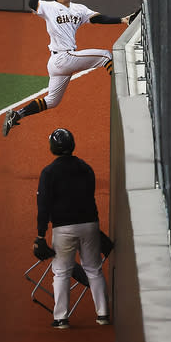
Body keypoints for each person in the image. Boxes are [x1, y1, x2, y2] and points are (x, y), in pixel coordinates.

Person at [3, 0, 132, 136]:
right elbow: (31, 4)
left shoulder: (79, 9)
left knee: (52, 101)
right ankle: (124, 92)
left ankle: (17, 114)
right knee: (105, 56)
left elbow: (99, 18)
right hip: (63, 58)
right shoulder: (49, 7)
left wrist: (121, 20)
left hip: (59, 63)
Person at [33, 128, 109, 328]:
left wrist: (40, 235)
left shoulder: (49, 172)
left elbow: (43, 206)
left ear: (53, 147)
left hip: (64, 228)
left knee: (61, 272)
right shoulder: (86, 167)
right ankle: (103, 315)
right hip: (90, 225)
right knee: (94, 269)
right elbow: (90, 196)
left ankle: (61, 318)